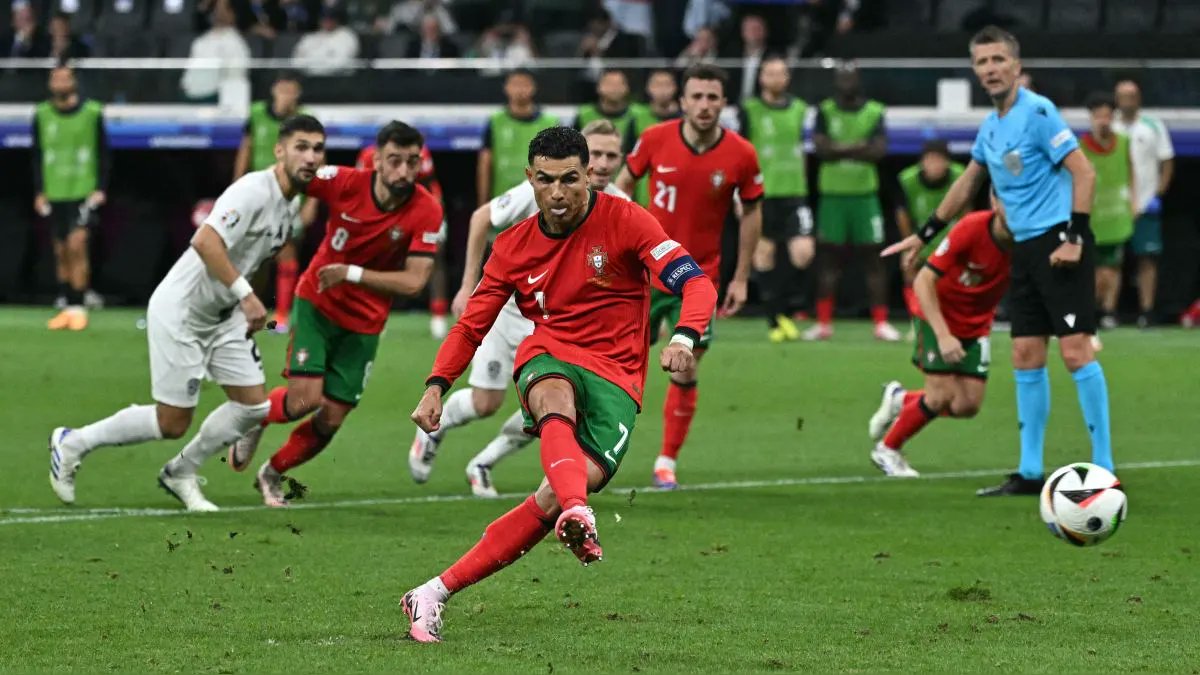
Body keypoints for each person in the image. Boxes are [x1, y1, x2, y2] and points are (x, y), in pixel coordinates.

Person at [401, 126, 718, 643]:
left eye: (569, 179)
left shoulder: (627, 220)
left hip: (618, 377)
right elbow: (471, 326)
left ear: (589, 175)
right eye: (545, 180)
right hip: (551, 353)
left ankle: (433, 591)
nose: (557, 192)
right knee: (552, 393)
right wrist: (437, 384)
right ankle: (578, 509)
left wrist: (684, 336)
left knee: (551, 498)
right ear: (530, 178)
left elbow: (696, 282)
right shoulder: (512, 246)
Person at [48, 115, 326, 510]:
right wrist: (246, 295)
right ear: (279, 151)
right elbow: (205, 241)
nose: (311, 157)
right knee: (172, 422)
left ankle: (181, 471)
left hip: (225, 315)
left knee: (253, 407)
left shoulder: (290, 204)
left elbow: (261, 260)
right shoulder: (252, 190)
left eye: (318, 149)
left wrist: (250, 308)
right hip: (182, 310)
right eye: (301, 147)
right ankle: (73, 442)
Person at [882, 26, 1112, 496]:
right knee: (1025, 354)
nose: (990, 69)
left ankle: (1105, 468)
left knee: (1074, 352)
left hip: (1058, 244)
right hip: (1024, 251)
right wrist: (922, 235)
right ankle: (1029, 472)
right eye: (982, 62)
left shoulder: (1038, 112)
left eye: (998, 60)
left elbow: (1084, 172)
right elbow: (967, 183)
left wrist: (1074, 237)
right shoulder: (991, 127)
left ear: (1016, 65)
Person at [226, 122, 443, 506]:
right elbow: (292, 177)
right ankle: (256, 416)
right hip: (318, 303)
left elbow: (414, 281)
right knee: (305, 400)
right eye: (394, 160)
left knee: (332, 418)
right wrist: (259, 217)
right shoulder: (344, 182)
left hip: (366, 323)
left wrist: (352, 273)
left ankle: (272, 473)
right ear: (376, 160)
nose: (404, 171)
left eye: (412, 162)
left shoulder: (426, 209)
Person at [409, 120, 631, 497]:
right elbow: (481, 218)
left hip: (557, 323)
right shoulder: (544, 191)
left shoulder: (622, 209)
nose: (604, 163)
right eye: (597, 154)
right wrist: (467, 284)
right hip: (509, 310)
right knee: (486, 402)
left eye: (612, 155)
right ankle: (434, 428)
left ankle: (483, 463)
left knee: (558, 403)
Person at [615, 64, 763, 489]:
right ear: (682, 101)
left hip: (698, 280)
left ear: (724, 103)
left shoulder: (741, 154)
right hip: (644, 275)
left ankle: (666, 461)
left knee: (685, 366)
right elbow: (620, 191)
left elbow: (752, 213)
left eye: (712, 97)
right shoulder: (654, 139)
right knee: (616, 362)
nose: (704, 105)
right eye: (696, 96)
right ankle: (596, 447)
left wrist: (741, 277)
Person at [868, 194, 1012, 476]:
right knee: (940, 396)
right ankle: (887, 449)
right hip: (937, 314)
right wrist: (943, 335)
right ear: (994, 201)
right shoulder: (971, 228)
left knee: (967, 405)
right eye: (1011, 200)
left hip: (977, 324)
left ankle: (901, 400)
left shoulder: (1032, 237)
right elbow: (923, 280)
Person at [808, 62, 899, 342]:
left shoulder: (875, 111)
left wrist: (838, 148)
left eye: (851, 77)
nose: (846, 82)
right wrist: (858, 146)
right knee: (828, 260)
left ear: (859, 80)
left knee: (874, 259)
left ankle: (881, 323)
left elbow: (878, 151)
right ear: (835, 81)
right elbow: (820, 149)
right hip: (833, 195)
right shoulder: (825, 110)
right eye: (842, 78)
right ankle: (823, 324)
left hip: (864, 195)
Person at [234, 71, 317, 332]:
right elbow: (245, 150)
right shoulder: (256, 113)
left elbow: (318, 162)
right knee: (253, 256)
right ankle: (247, 311)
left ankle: (282, 315)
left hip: (290, 197)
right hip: (257, 195)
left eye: (291, 91)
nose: (286, 96)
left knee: (286, 252)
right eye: (283, 90)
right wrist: (236, 188)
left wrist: (312, 202)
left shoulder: (305, 120)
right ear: (274, 90)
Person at [738, 55, 814, 342]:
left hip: (794, 192)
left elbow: (803, 149)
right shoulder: (750, 110)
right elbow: (740, 154)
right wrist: (739, 194)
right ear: (761, 78)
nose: (775, 78)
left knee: (804, 253)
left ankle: (783, 309)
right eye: (770, 73)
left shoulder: (800, 108)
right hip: (763, 194)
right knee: (764, 255)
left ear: (787, 78)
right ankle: (775, 321)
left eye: (780, 73)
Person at [34, 66, 110, 331]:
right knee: (61, 250)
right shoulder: (42, 114)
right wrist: (39, 190)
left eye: (65, 78)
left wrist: (101, 187)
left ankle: (79, 306)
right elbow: (37, 154)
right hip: (55, 190)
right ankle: (67, 305)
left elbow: (104, 152)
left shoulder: (92, 112)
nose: (60, 82)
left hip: (83, 189)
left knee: (78, 245)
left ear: (75, 82)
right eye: (55, 78)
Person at [355, 140, 449, 339]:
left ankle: (439, 315)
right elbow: (361, 190)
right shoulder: (368, 156)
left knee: (435, 257)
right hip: (385, 213)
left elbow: (429, 183)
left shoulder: (419, 153)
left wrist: (436, 216)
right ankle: (375, 315)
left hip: (421, 209)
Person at [1113, 79, 1174, 329]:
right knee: (1111, 260)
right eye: (1122, 96)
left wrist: (1158, 195)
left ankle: (1147, 311)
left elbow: (1166, 161)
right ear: (1116, 99)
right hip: (1115, 206)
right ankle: (1107, 311)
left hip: (1146, 203)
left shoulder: (1153, 126)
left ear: (1139, 98)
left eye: (1132, 96)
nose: (1127, 101)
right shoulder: (1111, 126)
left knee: (1147, 259)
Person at [1079, 92, 1135, 333]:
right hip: (1090, 217)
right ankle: (1092, 309)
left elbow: (1131, 173)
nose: (1103, 121)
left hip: (1116, 216)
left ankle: (1109, 311)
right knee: (1092, 270)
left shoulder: (1123, 142)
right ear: (1091, 118)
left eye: (1107, 115)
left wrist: (1133, 203)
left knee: (1113, 267)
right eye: (1098, 116)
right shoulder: (1079, 146)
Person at [894, 140, 966, 324]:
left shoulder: (960, 177)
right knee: (909, 269)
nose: (934, 165)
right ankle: (917, 321)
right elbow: (902, 214)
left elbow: (966, 213)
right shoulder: (907, 179)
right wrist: (907, 245)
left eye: (939, 160)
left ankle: (954, 320)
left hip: (950, 239)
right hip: (921, 238)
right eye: (930, 160)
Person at [477, 69, 559, 207]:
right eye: (515, 84)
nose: (520, 89)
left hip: (540, 201)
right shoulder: (495, 122)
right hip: (503, 201)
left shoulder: (551, 122)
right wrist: (483, 203)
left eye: (525, 84)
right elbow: (485, 164)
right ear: (506, 88)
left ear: (534, 87)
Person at [627, 68, 681, 207]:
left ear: (675, 88)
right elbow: (628, 160)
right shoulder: (637, 119)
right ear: (648, 88)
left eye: (667, 84)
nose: (662, 90)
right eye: (657, 84)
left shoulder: (686, 120)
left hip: (678, 194)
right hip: (644, 196)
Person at [292, 5, 360, 77]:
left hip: (340, 79)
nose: (327, 21)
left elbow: (342, 63)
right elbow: (296, 61)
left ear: (337, 20)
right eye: (324, 18)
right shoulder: (311, 37)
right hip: (311, 78)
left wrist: (314, 65)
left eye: (331, 18)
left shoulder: (347, 36)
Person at [573, 69, 634, 137]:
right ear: (598, 87)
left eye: (619, 84)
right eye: (609, 84)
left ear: (627, 87)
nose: (614, 88)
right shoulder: (583, 114)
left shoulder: (638, 114)